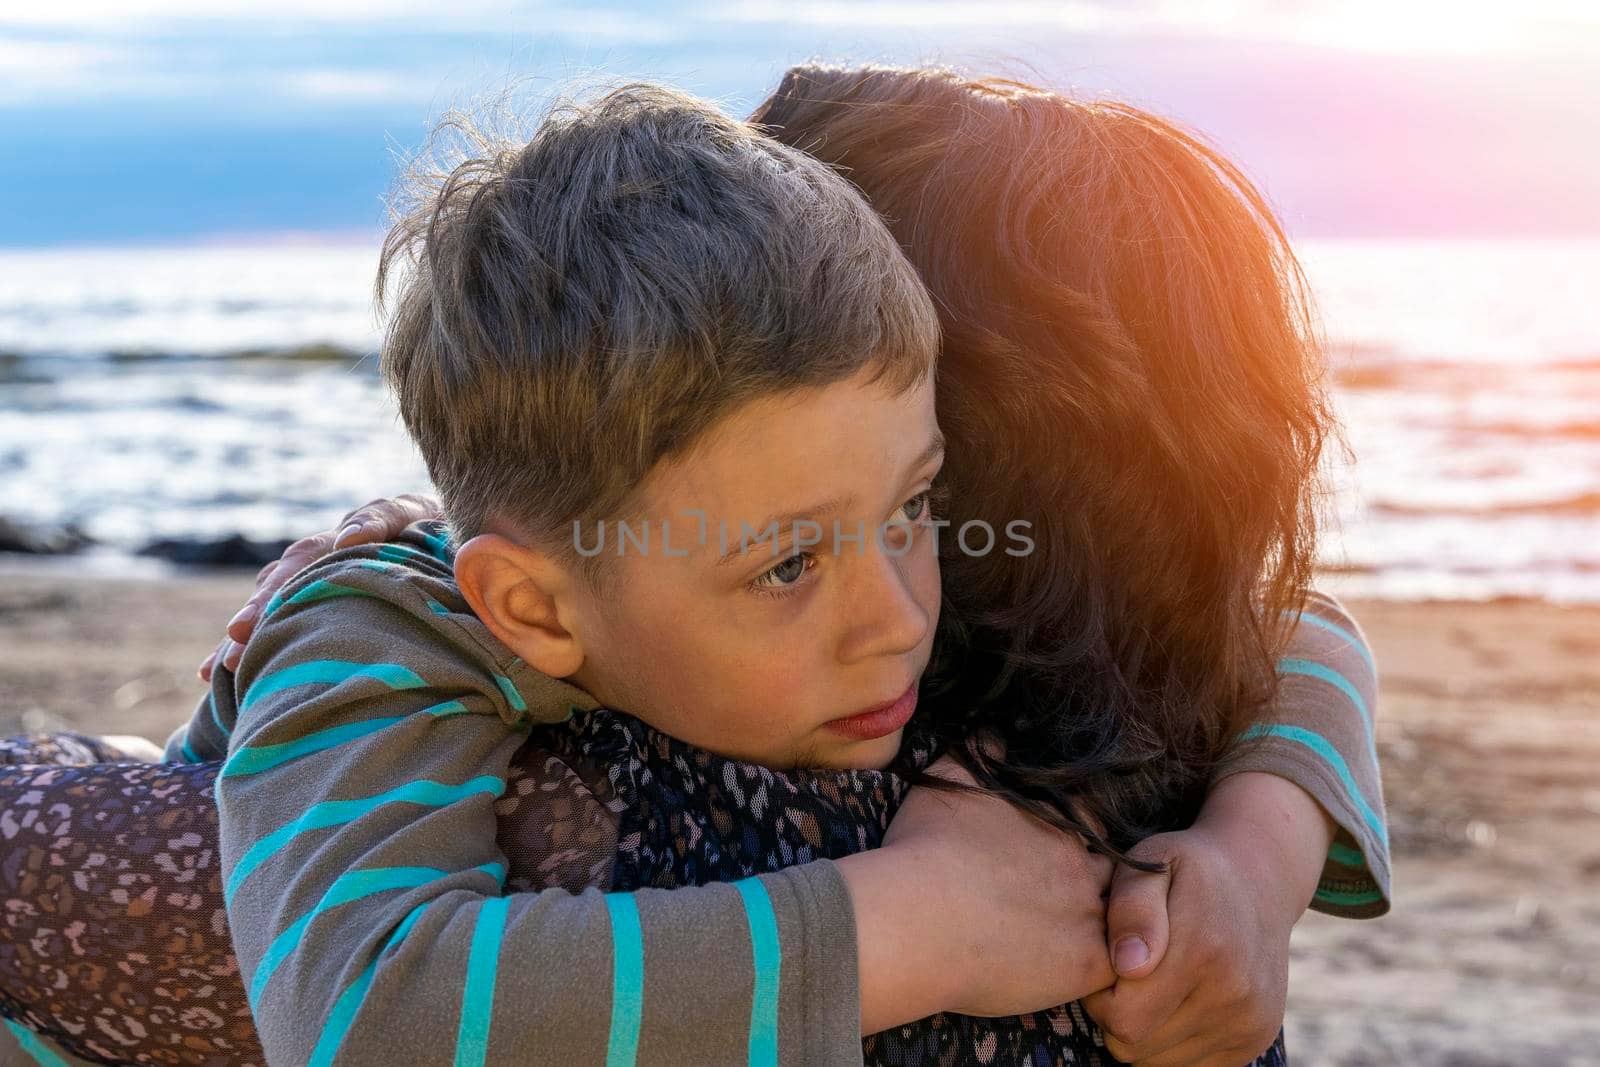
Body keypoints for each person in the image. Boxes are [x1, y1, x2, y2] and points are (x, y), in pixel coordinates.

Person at [0, 68, 1386, 1067]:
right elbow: (369, 1006)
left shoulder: (785, 585)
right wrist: (910, 927)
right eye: (791, 558)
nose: (897, 614)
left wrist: (1253, 855)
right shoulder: (390, 632)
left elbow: (1279, 626)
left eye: (922, 506)